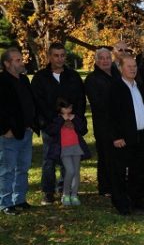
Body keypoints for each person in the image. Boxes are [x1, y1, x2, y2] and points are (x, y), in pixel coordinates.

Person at [31, 42, 87, 205]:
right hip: (51, 126)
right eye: (56, 55)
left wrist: (73, 120)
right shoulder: (41, 78)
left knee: (67, 159)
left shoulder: (73, 76)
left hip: (70, 125)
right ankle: (48, 192)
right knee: (49, 160)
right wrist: (54, 121)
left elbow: (80, 100)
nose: (60, 58)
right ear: (49, 56)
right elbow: (38, 103)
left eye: (63, 55)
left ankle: (65, 189)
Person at [109, 56, 144, 214]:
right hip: (123, 139)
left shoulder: (138, 85)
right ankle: (120, 202)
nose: (133, 69)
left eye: (134, 66)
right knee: (120, 172)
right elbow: (110, 115)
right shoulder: (116, 87)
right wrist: (116, 136)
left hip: (139, 136)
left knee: (137, 171)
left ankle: (137, 200)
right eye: (129, 66)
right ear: (120, 68)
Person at [0, 48, 36, 215]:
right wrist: (4, 130)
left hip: (26, 132)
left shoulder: (24, 80)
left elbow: (29, 103)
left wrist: (32, 123)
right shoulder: (1, 81)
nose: (22, 62)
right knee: (8, 169)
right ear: (7, 64)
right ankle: (5, 202)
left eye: (21, 59)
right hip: (9, 134)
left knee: (23, 167)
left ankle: (19, 199)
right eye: (17, 60)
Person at [84, 48, 117, 196]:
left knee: (116, 156)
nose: (105, 61)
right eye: (101, 58)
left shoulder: (116, 74)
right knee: (105, 155)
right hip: (103, 123)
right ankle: (105, 187)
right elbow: (97, 103)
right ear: (96, 61)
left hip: (118, 123)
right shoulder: (92, 79)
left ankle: (116, 183)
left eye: (107, 58)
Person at [46, 99, 91, 206]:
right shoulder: (56, 119)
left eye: (70, 107)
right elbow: (51, 131)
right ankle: (65, 194)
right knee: (70, 171)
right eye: (65, 108)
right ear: (60, 108)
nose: (68, 110)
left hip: (76, 148)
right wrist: (62, 120)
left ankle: (74, 195)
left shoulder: (75, 117)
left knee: (76, 172)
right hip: (64, 149)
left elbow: (83, 130)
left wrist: (75, 120)